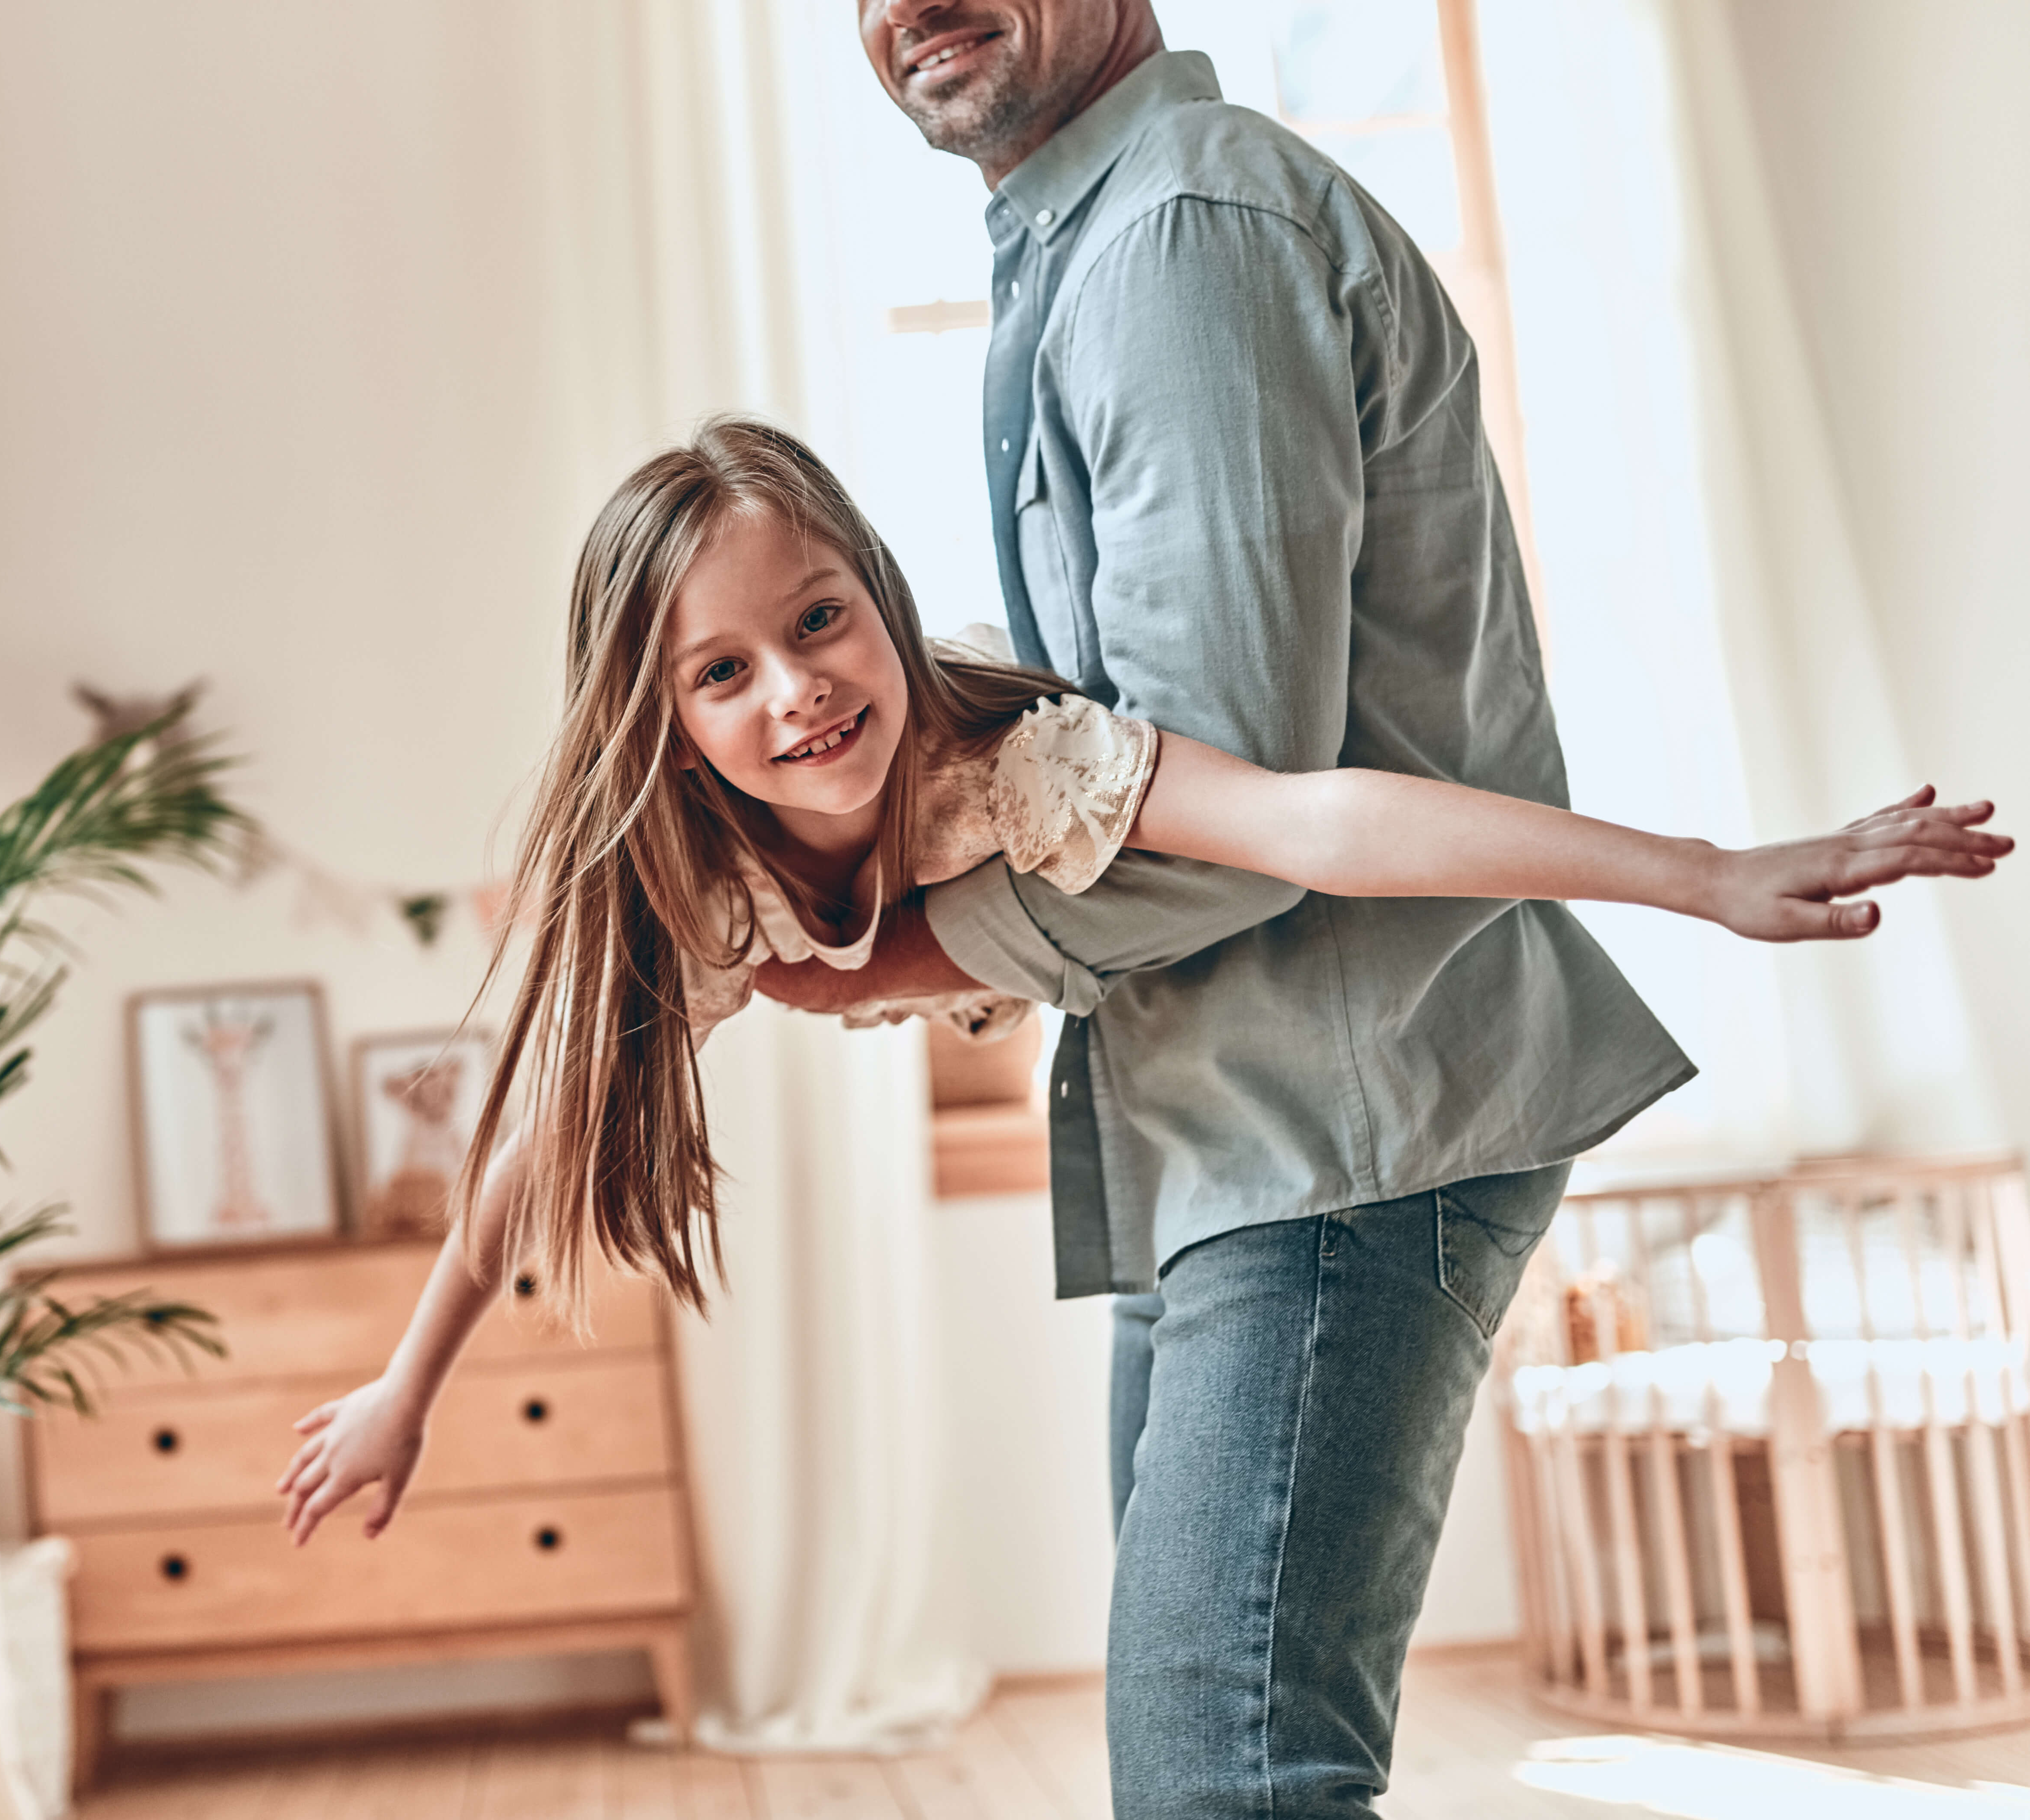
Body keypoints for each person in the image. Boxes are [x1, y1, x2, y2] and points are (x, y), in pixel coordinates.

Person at [273, 419, 2003, 1796]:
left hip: (1316, 1092)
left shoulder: (1012, 767)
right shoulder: (697, 886)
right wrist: (406, 1386)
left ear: (876, 594)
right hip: (1153, 1125)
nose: (795, 690)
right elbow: (534, 1142)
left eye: (815, 620)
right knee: (1171, 1677)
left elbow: (1316, 824)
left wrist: (1703, 874)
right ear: (662, 724)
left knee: (1224, 1732)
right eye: (719, 673)